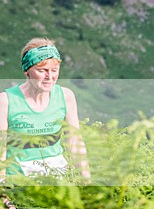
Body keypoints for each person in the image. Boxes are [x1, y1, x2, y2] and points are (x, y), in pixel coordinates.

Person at [0, 38, 90, 183]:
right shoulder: (6, 101)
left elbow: (75, 143)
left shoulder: (65, 96)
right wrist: (3, 194)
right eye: (42, 70)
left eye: (54, 70)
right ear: (27, 71)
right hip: (18, 188)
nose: (50, 77)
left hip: (58, 186)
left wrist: (87, 184)